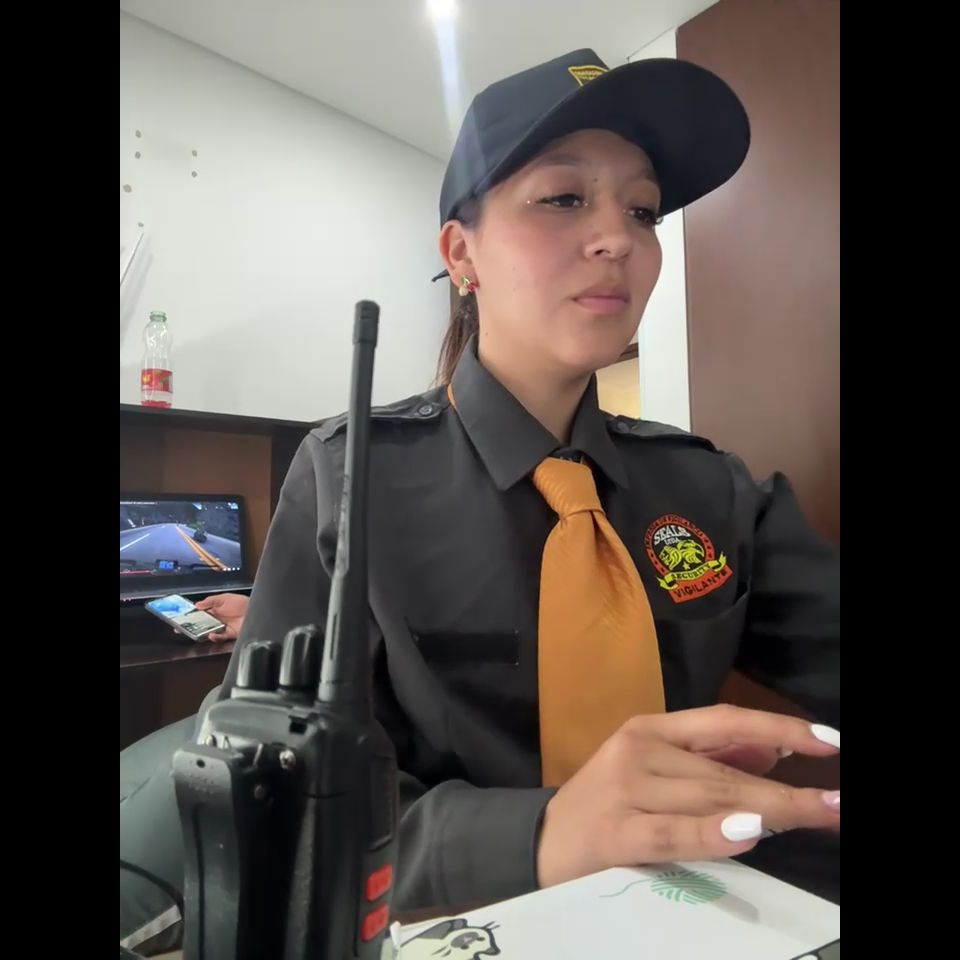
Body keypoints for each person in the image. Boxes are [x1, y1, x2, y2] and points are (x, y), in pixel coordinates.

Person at [121, 48, 839, 951]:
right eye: (564, 198)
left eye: (643, 210)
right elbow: (272, 793)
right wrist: (542, 832)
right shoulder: (350, 477)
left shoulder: (712, 487)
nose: (618, 238)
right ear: (462, 254)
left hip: (707, 918)